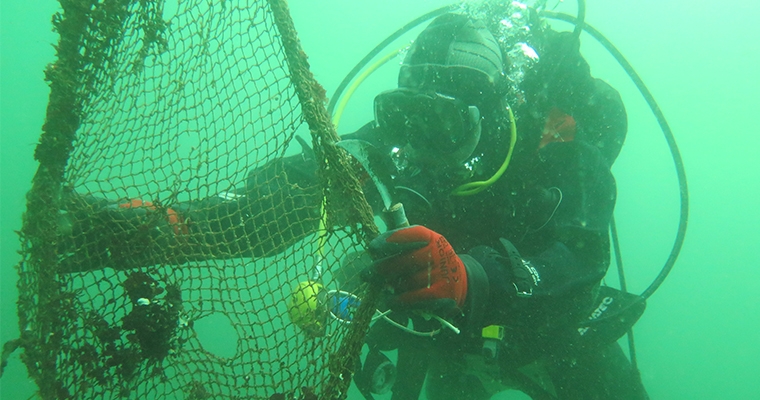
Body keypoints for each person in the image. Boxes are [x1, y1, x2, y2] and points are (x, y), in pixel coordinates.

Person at [59, 4, 647, 399]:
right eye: (405, 115)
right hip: (443, 341)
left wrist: (472, 278)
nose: (419, 140)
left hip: (551, 340)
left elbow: (580, 258)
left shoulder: (558, 154)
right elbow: (291, 194)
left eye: (442, 120)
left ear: (491, 114)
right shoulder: (401, 150)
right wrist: (182, 225)